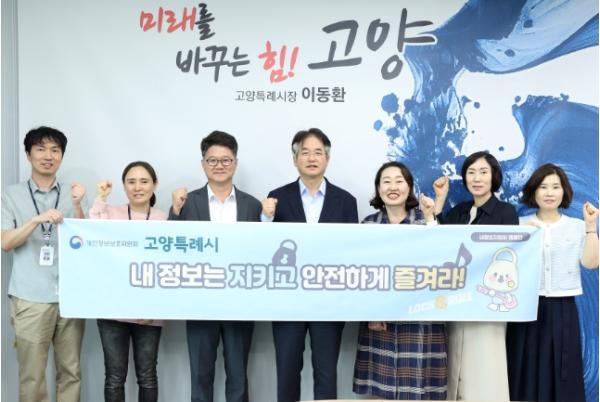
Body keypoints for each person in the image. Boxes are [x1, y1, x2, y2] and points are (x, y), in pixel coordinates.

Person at [262, 127, 359, 402]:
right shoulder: (276, 198)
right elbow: (265, 247)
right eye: (305, 152)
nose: (312, 158)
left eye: (318, 152)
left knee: (326, 374)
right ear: (295, 159)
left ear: (327, 158)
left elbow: (352, 252)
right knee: (287, 371)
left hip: (329, 299)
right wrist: (265, 218)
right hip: (288, 299)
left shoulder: (346, 201)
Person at [169, 131, 261, 402]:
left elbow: (261, 252)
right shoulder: (186, 203)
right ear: (203, 164)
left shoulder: (253, 205)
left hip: (240, 301)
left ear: (235, 163)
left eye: (226, 160)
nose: (219, 165)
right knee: (200, 375)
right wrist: (175, 212)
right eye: (212, 160)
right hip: (200, 300)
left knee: (238, 376)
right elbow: (171, 247)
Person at [1, 126, 87, 402]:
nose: (48, 156)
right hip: (30, 297)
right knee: (32, 375)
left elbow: (87, 242)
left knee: (71, 372)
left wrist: (78, 206)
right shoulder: (11, 195)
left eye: (55, 150)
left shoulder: (73, 194)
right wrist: (35, 221)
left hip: (71, 296)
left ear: (61, 155)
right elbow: (6, 242)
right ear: (28, 155)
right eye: (40, 149)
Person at [352, 161, 447, 400]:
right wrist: (371, 313)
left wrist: (431, 218)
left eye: (399, 181)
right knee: (381, 391)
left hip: (421, 319)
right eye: (386, 181)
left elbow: (441, 262)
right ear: (378, 189)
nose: (393, 187)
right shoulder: (368, 225)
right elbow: (360, 275)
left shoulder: (425, 220)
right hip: (379, 320)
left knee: (417, 390)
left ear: (409, 187)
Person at [506, 163, 598, 402]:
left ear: (564, 191)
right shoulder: (518, 224)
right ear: (534, 191)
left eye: (555, 187)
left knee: (562, 369)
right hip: (525, 308)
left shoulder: (577, 226)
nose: (549, 193)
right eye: (543, 186)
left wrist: (590, 227)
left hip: (562, 308)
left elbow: (591, 263)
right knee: (524, 369)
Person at [433, 151, 518, 401]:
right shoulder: (460, 211)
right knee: (456, 367)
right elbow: (438, 244)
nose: (477, 178)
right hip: (457, 300)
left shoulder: (505, 212)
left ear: (494, 177)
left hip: (486, 303)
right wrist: (440, 201)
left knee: (485, 366)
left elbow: (504, 258)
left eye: (483, 172)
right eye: (471, 173)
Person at [89, 161, 167, 402]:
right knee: (114, 377)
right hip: (112, 309)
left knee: (147, 376)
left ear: (155, 185)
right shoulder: (111, 212)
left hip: (149, 311)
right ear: (123, 186)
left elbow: (167, 267)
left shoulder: (163, 219)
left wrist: (154, 307)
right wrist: (101, 198)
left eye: (144, 181)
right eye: (131, 182)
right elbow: (92, 232)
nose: (137, 187)